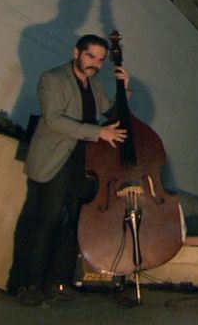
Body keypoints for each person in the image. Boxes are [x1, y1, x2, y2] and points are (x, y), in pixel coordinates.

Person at [7, 34, 130, 306]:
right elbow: (53, 120)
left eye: (100, 60)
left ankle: (56, 283)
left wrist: (124, 88)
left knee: (74, 224)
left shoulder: (94, 86)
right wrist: (98, 132)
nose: (95, 64)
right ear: (76, 52)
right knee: (45, 221)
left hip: (81, 163)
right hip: (53, 160)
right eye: (90, 57)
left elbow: (112, 113)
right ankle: (27, 284)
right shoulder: (53, 79)